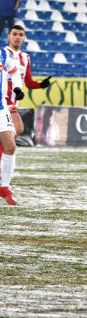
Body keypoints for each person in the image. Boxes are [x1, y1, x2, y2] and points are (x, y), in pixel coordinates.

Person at [3, 25, 51, 145]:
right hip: (4, 99)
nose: (17, 37)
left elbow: (28, 82)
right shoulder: (2, 54)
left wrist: (41, 85)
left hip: (14, 101)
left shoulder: (25, 57)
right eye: (14, 34)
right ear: (8, 36)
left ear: (24, 38)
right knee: (18, 128)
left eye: (21, 35)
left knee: (12, 132)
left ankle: (3, 154)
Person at [0, 46, 24, 205]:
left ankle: (4, 187)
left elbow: (14, 70)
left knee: (10, 146)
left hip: (1, 107)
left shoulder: (2, 53)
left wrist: (17, 87)